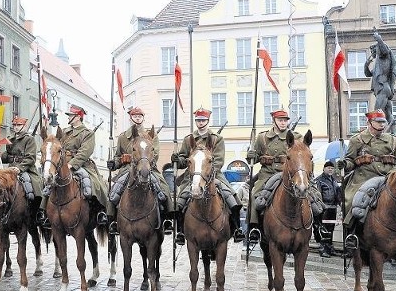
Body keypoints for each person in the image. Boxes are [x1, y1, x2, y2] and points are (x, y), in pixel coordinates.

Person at [171, 107, 244, 246]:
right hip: (192, 176)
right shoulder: (189, 140)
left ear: (208, 121)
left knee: (232, 198)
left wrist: (207, 174)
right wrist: (177, 159)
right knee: (180, 201)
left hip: (214, 175)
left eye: (203, 120)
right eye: (198, 120)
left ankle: (237, 229)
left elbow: (219, 160)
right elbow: (183, 160)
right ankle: (180, 231)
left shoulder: (217, 139)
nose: (200, 122)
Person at [337, 109, 396, 250]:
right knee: (351, 199)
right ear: (369, 123)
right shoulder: (357, 140)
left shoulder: (394, 141)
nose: (382, 125)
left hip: (387, 179)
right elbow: (351, 160)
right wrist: (345, 164)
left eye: (383, 122)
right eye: (378, 122)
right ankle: (351, 234)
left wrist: (393, 174)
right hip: (363, 179)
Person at [107, 107, 173, 235]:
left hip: (147, 167)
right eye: (135, 116)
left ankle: (167, 219)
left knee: (163, 188)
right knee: (114, 190)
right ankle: (112, 220)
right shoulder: (122, 137)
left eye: (140, 116)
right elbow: (118, 155)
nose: (137, 118)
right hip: (127, 169)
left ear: (143, 118)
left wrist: (144, 162)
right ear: (130, 118)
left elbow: (156, 154)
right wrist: (115, 163)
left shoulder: (151, 135)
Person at [42, 104, 109, 225]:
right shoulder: (64, 132)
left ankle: (99, 211)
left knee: (92, 183)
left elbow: (85, 152)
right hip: (61, 164)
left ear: (78, 117)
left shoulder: (87, 133)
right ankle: (45, 212)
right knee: (48, 184)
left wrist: (71, 164)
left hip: (81, 165)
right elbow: (56, 148)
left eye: (71, 115)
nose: (69, 117)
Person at [246, 108, 302, 244]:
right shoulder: (262, 137)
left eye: (285, 120)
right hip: (267, 174)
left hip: (288, 174)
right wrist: (251, 156)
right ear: (274, 121)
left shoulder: (296, 137)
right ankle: (254, 228)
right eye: (280, 120)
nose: (283, 123)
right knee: (255, 194)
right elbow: (254, 158)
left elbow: (301, 155)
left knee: (311, 195)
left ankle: (317, 226)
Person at [0, 115, 44, 223]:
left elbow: (31, 157)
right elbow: (8, 156)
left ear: (24, 126)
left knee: (31, 185)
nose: (16, 127)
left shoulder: (29, 139)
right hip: (10, 169)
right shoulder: (10, 139)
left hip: (26, 169)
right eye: (14, 125)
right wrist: (1, 156)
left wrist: (19, 168)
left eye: (19, 125)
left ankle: (37, 210)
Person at [364, 31, 396, 125]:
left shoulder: (384, 56)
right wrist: (366, 64)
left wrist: (378, 38)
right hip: (382, 89)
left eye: (374, 51)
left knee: (378, 111)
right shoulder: (378, 67)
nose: (372, 53)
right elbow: (368, 74)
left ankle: (378, 132)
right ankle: (393, 132)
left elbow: (384, 49)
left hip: (383, 87)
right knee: (388, 112)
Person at [314, 161, 342, 257]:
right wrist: (321, 208)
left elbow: (338, 193)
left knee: (331, 229)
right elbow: (317, 195)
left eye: (332, 168)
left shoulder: (334, 181)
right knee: (323, 229)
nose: (330, 169)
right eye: (328, 168)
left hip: (333, 208)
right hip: (324, 208)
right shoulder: (319, 180)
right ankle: (323, 249)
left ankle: (330, 248)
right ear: (324, 169)